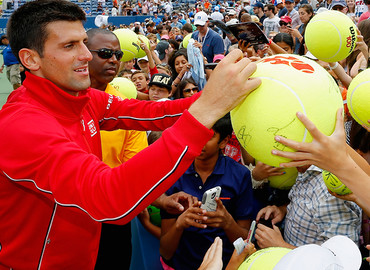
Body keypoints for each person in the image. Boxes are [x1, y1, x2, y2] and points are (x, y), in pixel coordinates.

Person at [0, 0, 262, 268]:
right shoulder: (22, 125)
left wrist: (217, 94)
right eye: (70, 46)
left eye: (82, 42)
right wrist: (208, 108)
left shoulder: (82, 97)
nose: (87, 55)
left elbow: (152, 113)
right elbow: (110, 196)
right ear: (30, 59)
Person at [85, 28, 149, 270]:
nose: (113, 59)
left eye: (118, 54)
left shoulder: (124, 108)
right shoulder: (60, 102)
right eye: (104, 53)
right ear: (83, 54)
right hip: (69, 213)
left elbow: (136, 166)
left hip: (113, 213)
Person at [160, 114, 259, 269]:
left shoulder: (240, 175)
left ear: (224, 141)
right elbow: (165, 251)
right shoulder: (174, 171)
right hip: (181, 264)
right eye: (195, 133)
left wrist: (227, 222)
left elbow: (245, 243)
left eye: (208, 136)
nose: (198, 141)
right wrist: (180, 223)